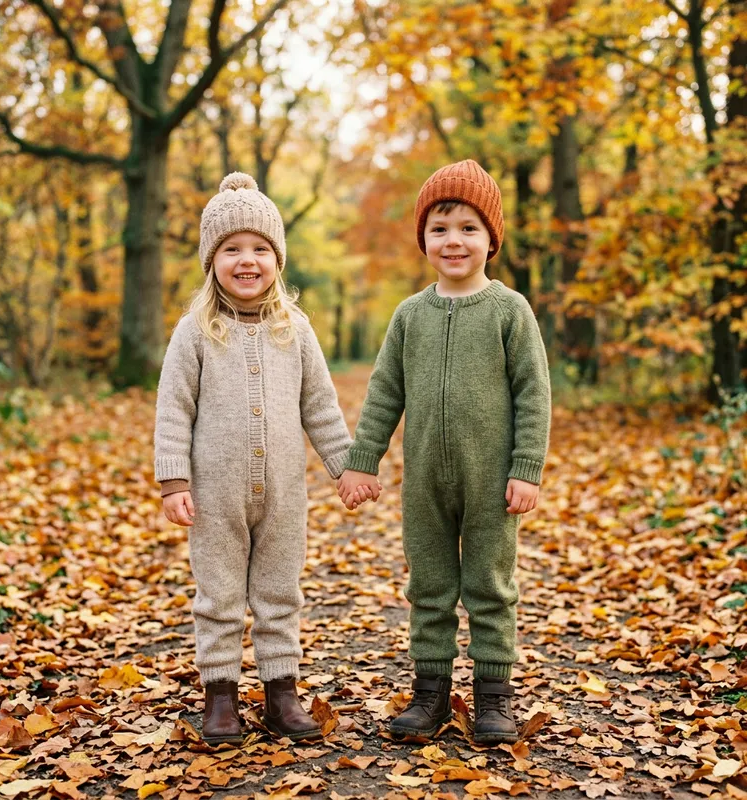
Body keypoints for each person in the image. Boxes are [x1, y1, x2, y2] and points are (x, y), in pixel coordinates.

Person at [337, 160, 551, 743]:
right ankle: (429, 693)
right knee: (429, 586)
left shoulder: (510, 310)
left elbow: (533, 394)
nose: (453, 241)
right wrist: (363, 460)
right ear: (424, 239)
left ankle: (493, 697)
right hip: (426, 480)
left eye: (468, 228)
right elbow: (385, 392)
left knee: (490, 585)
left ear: (491, 239)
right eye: (439, 228)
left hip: (492, 480)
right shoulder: (410, 315)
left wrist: (527, 468)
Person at [154, 172, 367, 745]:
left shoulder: (294, 330)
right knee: (219, 595)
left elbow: (320, 406)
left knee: (279, 592)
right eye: (231, 249)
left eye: (259, 249)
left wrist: (345, 467)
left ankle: (281, 694)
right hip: (215, 496)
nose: (246, 261)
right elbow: (173, 409)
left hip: (284, 496)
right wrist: (173, 480)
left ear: (277, 259)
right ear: (211, 261)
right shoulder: (195, 332)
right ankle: (220, 696)